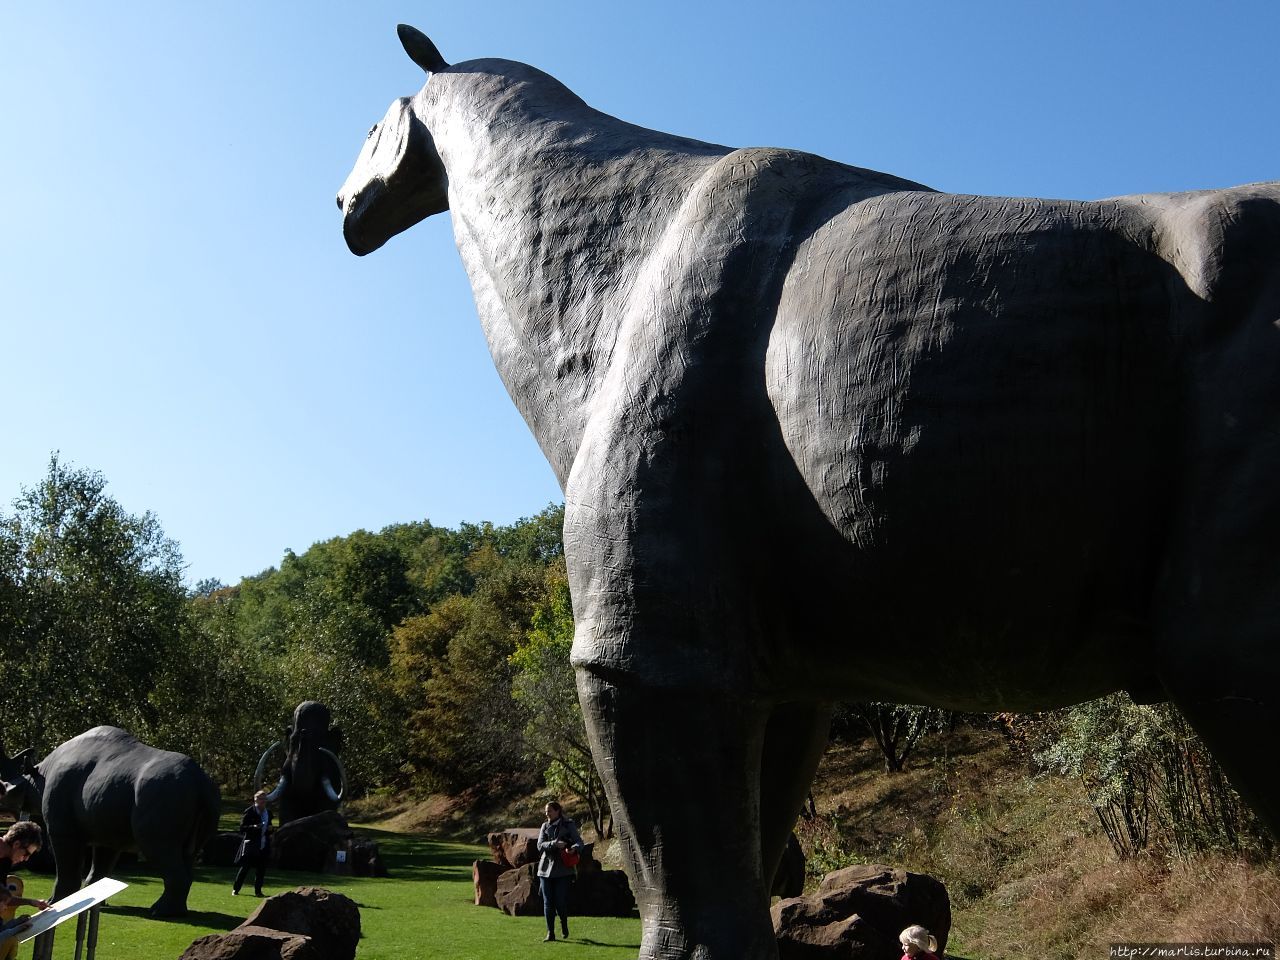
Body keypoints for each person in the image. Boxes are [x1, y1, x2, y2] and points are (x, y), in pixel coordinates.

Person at [535, 801, 583, 942]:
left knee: (560, 901)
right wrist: (553, 844)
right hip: (545, 869)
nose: (547, 814)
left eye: (549, 811)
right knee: (548, 902)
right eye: (546, 811)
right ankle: (550, 933)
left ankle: (564, 924)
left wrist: (573, 848)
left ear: (557, 811)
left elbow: (579, 842)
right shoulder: (545, 826)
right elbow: (539, 845)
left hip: (563, 870)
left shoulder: (568, 824)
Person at [232, 790, 273, 897]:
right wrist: (254, 827)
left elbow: (270, 828)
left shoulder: (268, 813)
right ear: (255, 800)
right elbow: (242, 828)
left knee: (261, 870)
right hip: (251, 845)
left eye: (265, 799)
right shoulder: (249, 811)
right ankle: (235, 889)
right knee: (245, 868)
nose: (263, 801)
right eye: (261, 799)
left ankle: (258, 891)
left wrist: (270, 828)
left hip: (264, 844)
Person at [0, 823, 49, 912]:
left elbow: (3, 898)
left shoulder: (5, 862)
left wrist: (31, 902)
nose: (26, 859)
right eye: (26, 854)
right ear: (16, 844)